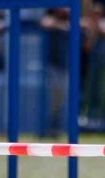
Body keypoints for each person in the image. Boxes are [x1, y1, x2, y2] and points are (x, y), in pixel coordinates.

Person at [81, 2, 105, 125]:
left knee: (103, 91)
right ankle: (86, 116)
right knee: (89, 90)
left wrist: (98, 28)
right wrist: (94, 32)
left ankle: (100, 119)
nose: (96, 15)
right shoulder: (89, 25)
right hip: (93, 63)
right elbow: (87, 47)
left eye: (98, 13)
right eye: (94, 13)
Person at [40, 8, 71, 136]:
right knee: (51, 101)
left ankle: (55, 129)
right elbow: (45, 23)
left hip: (65, 67)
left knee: (59, 101)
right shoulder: (50, 17)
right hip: (52, 66)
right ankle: (47, 129)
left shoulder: (70, 19)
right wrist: (62, 26)